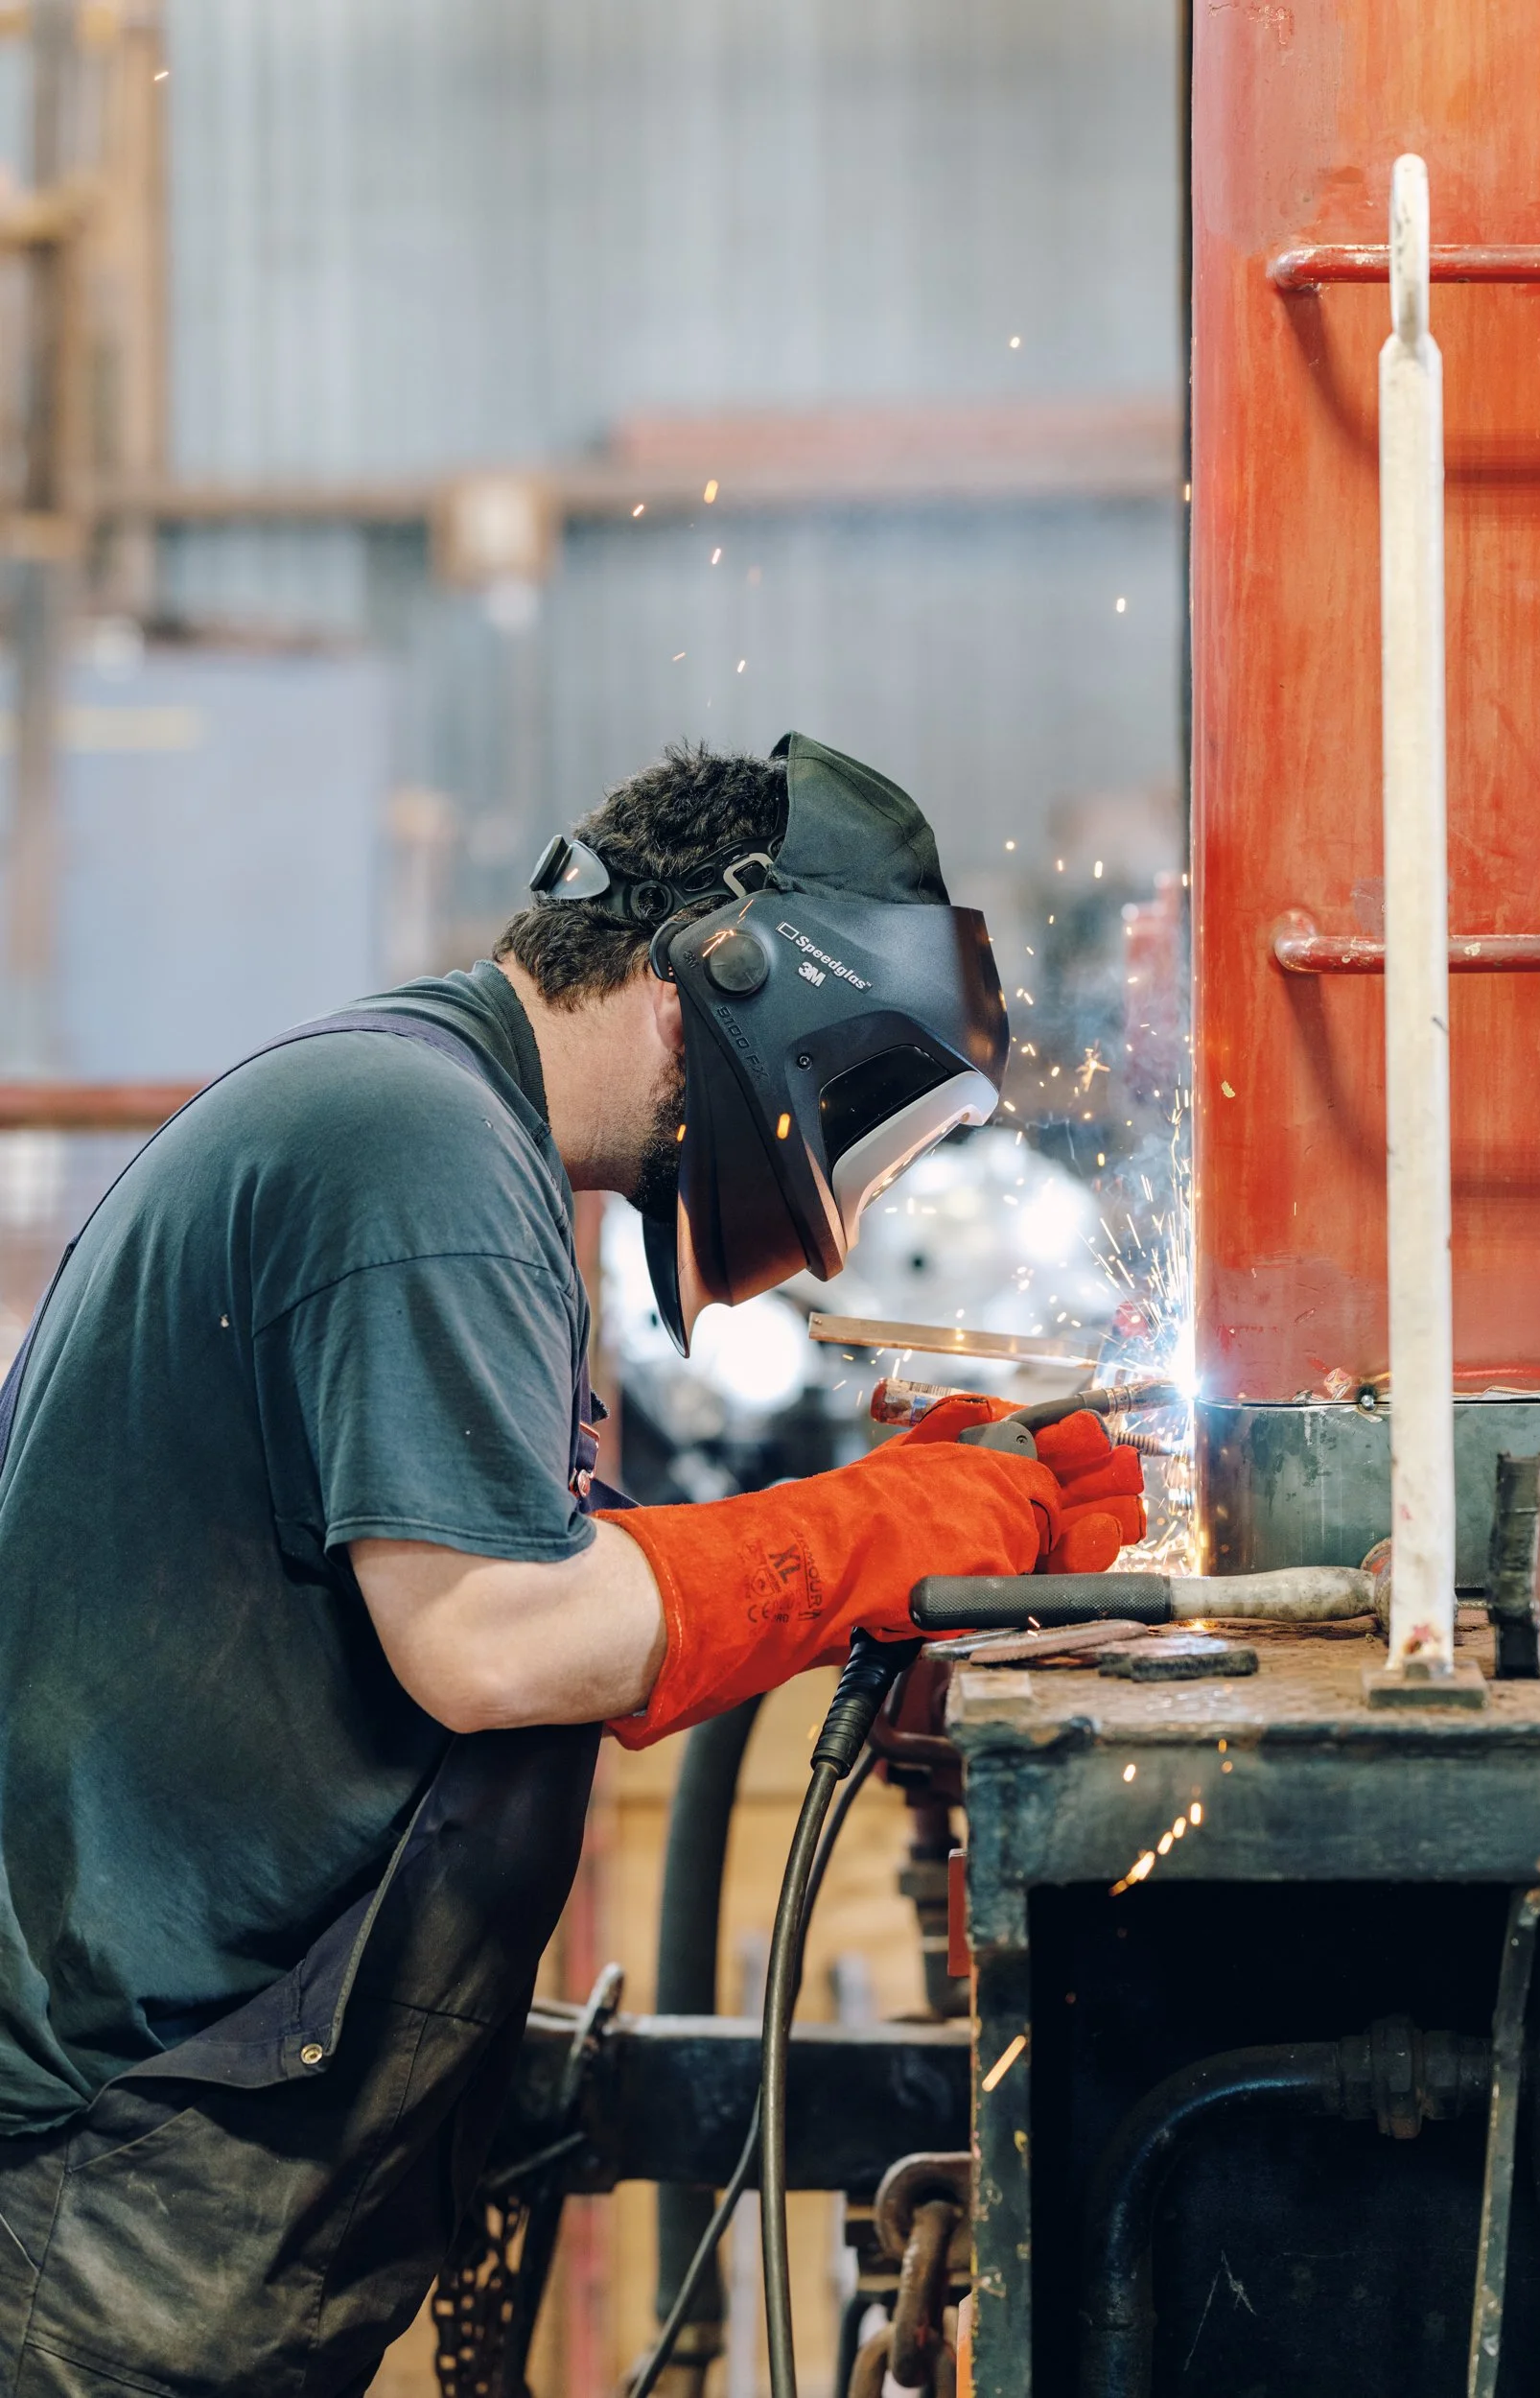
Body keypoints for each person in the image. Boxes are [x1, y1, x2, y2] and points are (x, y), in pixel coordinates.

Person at [0, 732, 1143, 2395]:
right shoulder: (419, 1146)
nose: (819, 1158)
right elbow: (494, 1638)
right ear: (722, 978)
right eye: (834, 1091)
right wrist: (892, 1526)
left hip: (193, 2140)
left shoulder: (437, 1123)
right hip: (118, 2175)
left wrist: (895, 1510)